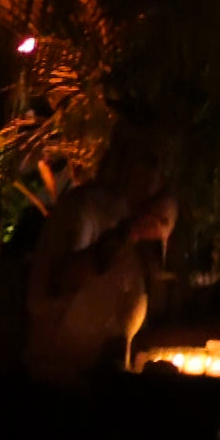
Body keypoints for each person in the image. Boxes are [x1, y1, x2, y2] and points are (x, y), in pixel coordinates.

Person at [23, 120, 177, 387]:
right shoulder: (83, 210)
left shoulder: (130, 215)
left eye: (163, 164)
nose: (159, 173)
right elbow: (58, 282)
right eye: (151, 161)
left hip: (108, 382)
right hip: (60, 381)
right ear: (123, 160)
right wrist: (128, 233)